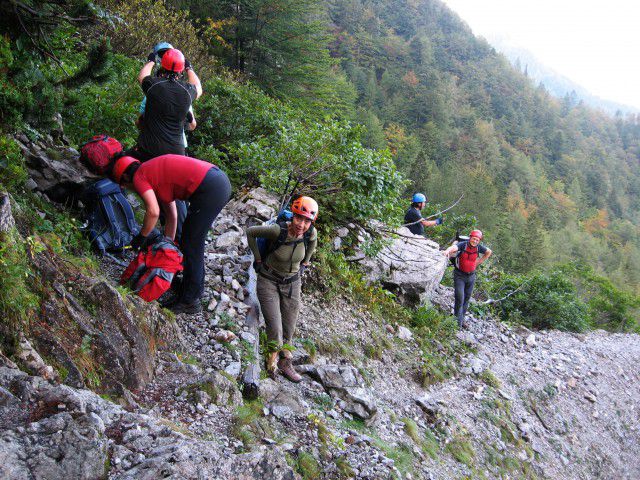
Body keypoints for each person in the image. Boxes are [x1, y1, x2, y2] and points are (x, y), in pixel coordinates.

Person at [82, 144, 231, 314]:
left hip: (211, 188)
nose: (124, 188)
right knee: (189, 242)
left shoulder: (139, 177)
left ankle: (190, 300)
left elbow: (153, 212)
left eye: (122, 184)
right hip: (215, 181)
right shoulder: (153, 173)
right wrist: (168, 244)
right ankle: (189, 290)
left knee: (192, 244)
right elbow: (171, 215)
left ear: (124, 177)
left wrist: (141, 237)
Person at [246, 197, 318, 382]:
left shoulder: (311, 234)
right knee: (275, 326)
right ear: (293, 216)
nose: (302, 224)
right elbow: (251, 232)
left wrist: (306, 262)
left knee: (289, 326)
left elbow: (313, 244)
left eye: (307, 221)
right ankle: (271, 362)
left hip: (293, 282)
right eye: (298, 218)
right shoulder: (278, 230)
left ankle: (286, 362)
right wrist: (258, 259)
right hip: (268, 279)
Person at [442, 230, 492, 329]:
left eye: (477, 240)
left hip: (471, 277)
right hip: (459, 275)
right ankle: (457, 324)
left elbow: (488, 252)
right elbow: (454, 247)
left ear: (479, 241)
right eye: (473, 239)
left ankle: (461, 319)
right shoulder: (463, 244)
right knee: (459, 298)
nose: (475, 241)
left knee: (466, 299)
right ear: (470, 238)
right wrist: (447, 251)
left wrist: (478, 262)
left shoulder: (478, 248)